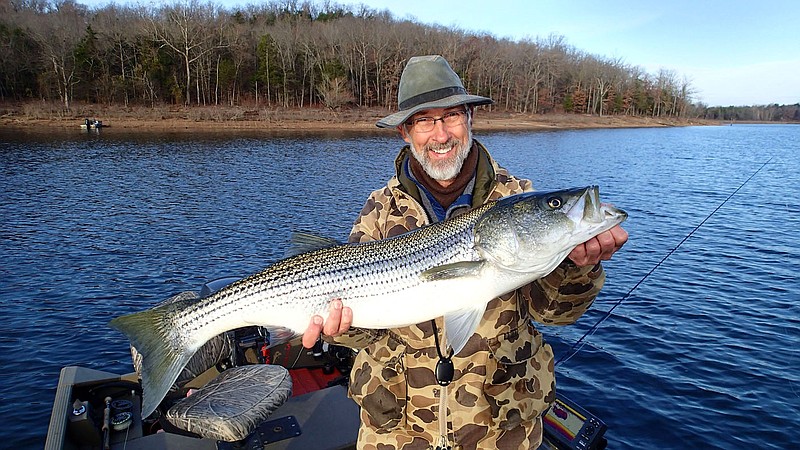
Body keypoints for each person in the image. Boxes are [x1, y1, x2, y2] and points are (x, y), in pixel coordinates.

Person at [302, 55, 628, 450]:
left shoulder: (516, 198)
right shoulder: (379, 209)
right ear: (405, 132)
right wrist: (344, 328)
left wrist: (579, 267)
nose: (440, 134)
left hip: (499, 426)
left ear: (470, 119)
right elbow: (366, 331)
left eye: (452, 116)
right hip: (398, 429)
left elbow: (555, 315)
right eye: (424, 120)